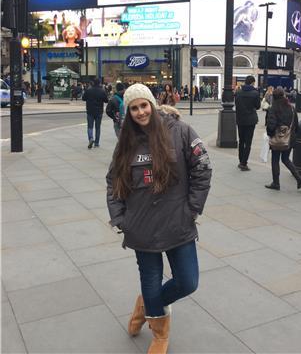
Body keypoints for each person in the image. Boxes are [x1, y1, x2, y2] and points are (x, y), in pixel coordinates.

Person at [106, 84, 212, 354]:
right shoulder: (126, 143)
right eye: (134, 108)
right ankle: (160, 333)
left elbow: (203, 169)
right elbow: (113, 182)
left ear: (152, 105)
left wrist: (192, 209)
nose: (140, 112)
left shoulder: (181, 131)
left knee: (188, 281)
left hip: (178, 222)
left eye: (144, 105)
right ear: (128, 112)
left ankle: (147, 306)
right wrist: (120, 218)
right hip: (141, 227)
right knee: (151, 281)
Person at [265, 87, 301, 190]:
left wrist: (270, 135)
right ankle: (299, 179)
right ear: (284, 96)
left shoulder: (273, 108)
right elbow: (296, 124)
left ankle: (276, 183)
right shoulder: (291, 107)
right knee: (286, 159)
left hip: (277, 139)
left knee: (275, 160)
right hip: (289, 138)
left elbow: (271, 125)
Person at [235, 75, 260, 171]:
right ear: (252, 82)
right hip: (250, 120)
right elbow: (257, 106)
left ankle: (240, 160)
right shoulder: (255, 93)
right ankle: (244, 163)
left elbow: (237, 105)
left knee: (241, 141)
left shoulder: (238, 92)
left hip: (240, 120)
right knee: (248, 142)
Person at [82, 79, 108, 148]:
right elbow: (106, 100)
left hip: (90, 111)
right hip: (99, 111)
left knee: (90, 126)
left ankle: (90, 138)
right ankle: (96, 143)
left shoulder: (89, 90)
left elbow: (83, 98)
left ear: (93, 83)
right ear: (99, 83)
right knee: (98, 127)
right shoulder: (102, 91)